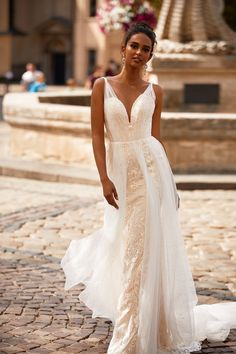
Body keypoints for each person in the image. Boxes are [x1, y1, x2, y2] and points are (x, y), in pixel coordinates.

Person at [60, 23, 236, 353]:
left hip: (150, 173)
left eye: (146, 49)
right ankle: (145, 319)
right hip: (120, 174)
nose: (139, 53)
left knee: (139, 253)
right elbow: (98, 135)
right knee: (128, 248)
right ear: (123, 49)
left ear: (151, 54)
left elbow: (156, 138)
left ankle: (130, 334)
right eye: (135, 46)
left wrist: (169, 185)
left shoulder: (156, 92)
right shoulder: (102, 86)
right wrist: (103, 178)